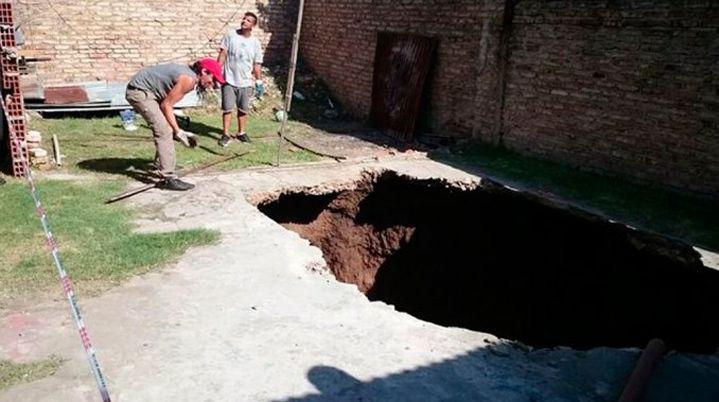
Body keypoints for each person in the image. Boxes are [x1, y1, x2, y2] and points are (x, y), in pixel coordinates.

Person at [125, 58, 225, 191]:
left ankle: (161, 164)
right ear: (204, 71)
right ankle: (168, 177)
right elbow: (166, 105)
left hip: (149, 92)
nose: (212, 85)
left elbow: (166, 104)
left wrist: (176, 130)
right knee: (164, 131)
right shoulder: (188, 80)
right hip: (139, 92)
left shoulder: (190, 76)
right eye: (212, 80)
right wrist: (179, 132)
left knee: (166, 127)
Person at [217, 11, 264, 146]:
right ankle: (225, 134)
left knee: (243, 109)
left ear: (253, 25)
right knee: (227, 108)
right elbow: (222, 55)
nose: (244, 21)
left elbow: (257, 64)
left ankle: (241, 133)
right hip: (229, 79)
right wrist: (216, 72)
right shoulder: (230, 36)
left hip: (245, 81)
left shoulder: (255, 43)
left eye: (248, 20)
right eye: (244, 19)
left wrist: (259, 81)